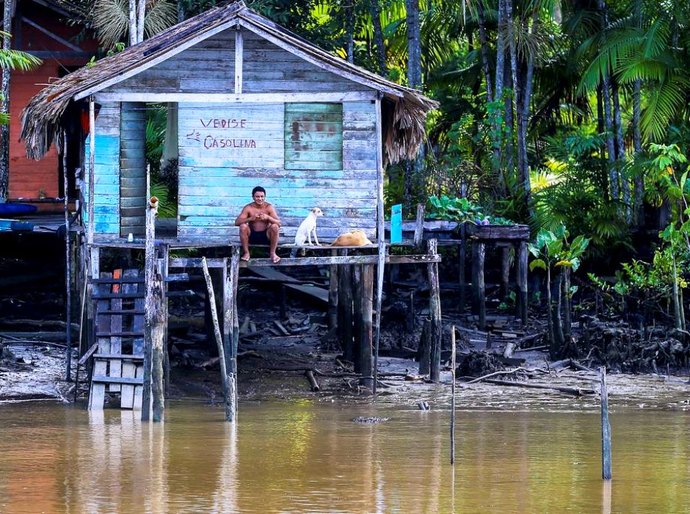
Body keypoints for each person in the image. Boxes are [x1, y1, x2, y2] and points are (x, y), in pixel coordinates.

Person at [234, 186, 281, 263]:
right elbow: (237, 222)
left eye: (262, 196)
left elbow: (279, 223)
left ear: (265, 197)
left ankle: (273, 253)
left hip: (266, 236)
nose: (260, 199)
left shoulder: (269, 207)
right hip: (252, 236)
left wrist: (268, 217)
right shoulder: (248, 207)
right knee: (243, 226)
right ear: (253, 197)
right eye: (257, 196)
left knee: (275, 226)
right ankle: (246, 253)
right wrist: (250, 219)